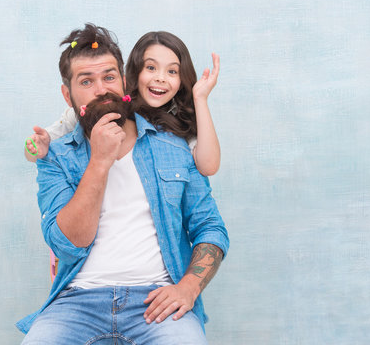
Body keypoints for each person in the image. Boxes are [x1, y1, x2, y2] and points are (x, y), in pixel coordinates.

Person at [16, 23, 229, 345]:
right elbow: (67, 243)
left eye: (109, 77)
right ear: (68, 94)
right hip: (76, 302)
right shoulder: (55, 156)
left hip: (156, 301)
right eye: (86, 81)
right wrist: (100, 160)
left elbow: (210, 227)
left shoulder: (174, 147)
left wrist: (188, 287)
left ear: (125, 82)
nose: (101, 89)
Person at [24, 31, 221, 177]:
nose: (160, 78)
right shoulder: (108, 105)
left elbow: (209, 166)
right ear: (132, 74)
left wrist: (200, 99)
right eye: (151, 67)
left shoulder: (177, 118)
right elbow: (40, 144)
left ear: (181, 81)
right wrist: (35, 150)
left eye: (172, 71)